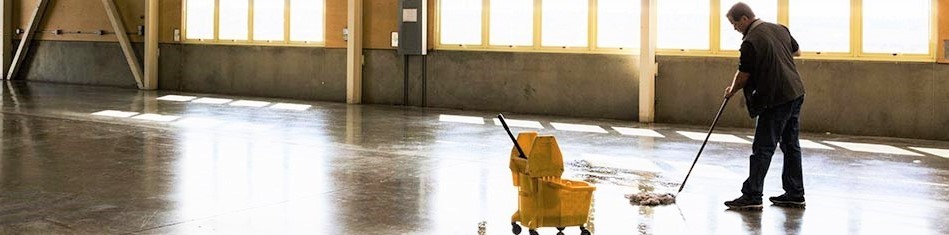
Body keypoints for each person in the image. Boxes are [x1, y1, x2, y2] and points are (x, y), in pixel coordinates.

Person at [722, 2, 806, 209]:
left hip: (775, 98)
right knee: (790, 145)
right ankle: (795, 193)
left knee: (763, 147)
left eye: (734, 24)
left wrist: (731, 90)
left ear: (744, 19)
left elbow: (743, 76)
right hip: (795, 92)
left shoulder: (750, 41)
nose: (734, 28)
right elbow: (797, 52)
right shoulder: (780, 29)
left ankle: (752, 195)